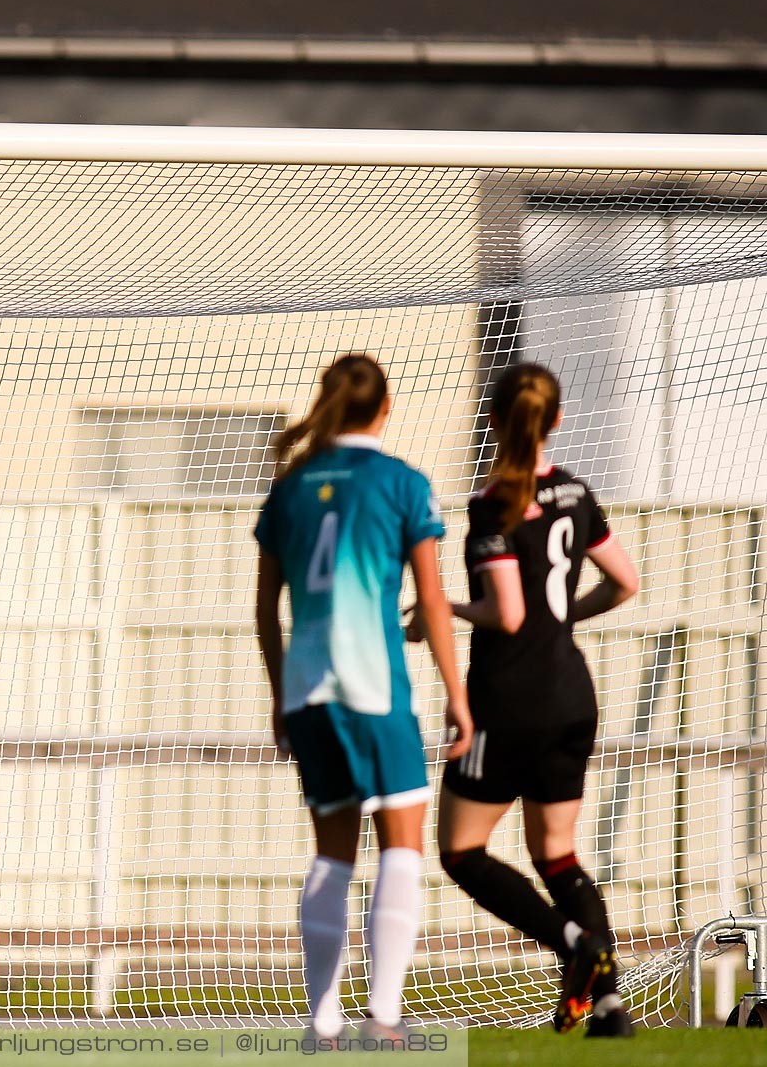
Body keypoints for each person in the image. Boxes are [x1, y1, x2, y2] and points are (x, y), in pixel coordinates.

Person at [254, 354, 472, 1044]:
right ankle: (382, 1016)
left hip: (310, 692)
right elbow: (433, 598)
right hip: (376, 690)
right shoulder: (402, 482)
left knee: (332, 854)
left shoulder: (289, 488)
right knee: (402, 847)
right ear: (385, 408)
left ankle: (322, 1021)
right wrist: (457, 693)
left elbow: (264, 609)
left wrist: (279, 691)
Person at [437, 362, 640, 1037]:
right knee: (557, 851)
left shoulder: (492, 505)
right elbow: (625, 581)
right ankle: (609, 1007)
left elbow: (510, 612)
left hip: (508, 702)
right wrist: (569, 618)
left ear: (492, 420)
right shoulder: (577, 492)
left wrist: (441, 607)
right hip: (571, 694)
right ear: (555, 421)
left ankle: (571, 942)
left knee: (461, 850)